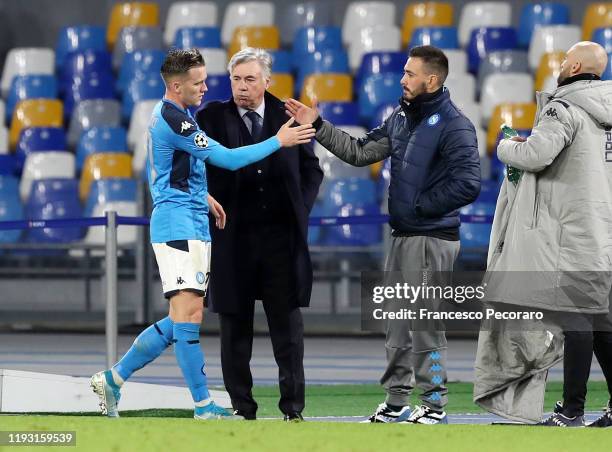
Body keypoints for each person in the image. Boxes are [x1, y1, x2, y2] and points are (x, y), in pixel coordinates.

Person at [90, 48, 315, 420]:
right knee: (190, 315)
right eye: (198, 82)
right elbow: (227, 159)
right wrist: (279, 141)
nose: (206, 87)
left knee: (181, 317)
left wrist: (203, 194)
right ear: (176, 86)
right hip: (178, 226)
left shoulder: (179, 116)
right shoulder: (175, 119)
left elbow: (168, 169)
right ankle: (202, 405)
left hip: (190, 219)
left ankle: (114, 378)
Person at [285, 45, 480, 424]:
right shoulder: (401, 119)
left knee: (426, 325)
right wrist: (319, 126)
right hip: (403, 236)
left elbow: (469, 183)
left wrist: (421, 208)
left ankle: (435, 404)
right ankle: (397, 401)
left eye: (410, 74)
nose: (402, 79)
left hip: (431, 239)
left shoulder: (455, 125)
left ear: (432, 80)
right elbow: (359, 153)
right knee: (396, 323)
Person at [487, 41, 612, 427]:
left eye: (563, 60)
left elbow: (534, 157)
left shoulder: (562, 107)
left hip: (570, 233)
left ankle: (571, 409)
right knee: (601, 323)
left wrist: (506, 145)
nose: (558, 65)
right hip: (603, 230)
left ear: (574, 66)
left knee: (575, 320)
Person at [195, 47, 323, 422]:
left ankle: (293, 409)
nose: (242, 87)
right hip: (231, 238)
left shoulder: (290, 114)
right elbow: (193, 164)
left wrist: (299, 209)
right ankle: (241, 408)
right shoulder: (210, 117)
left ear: (267, 82)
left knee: (288, 330)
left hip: (280, 240)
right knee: (234, 330)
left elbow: (312, 170)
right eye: (236, 79)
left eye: (250, 79)